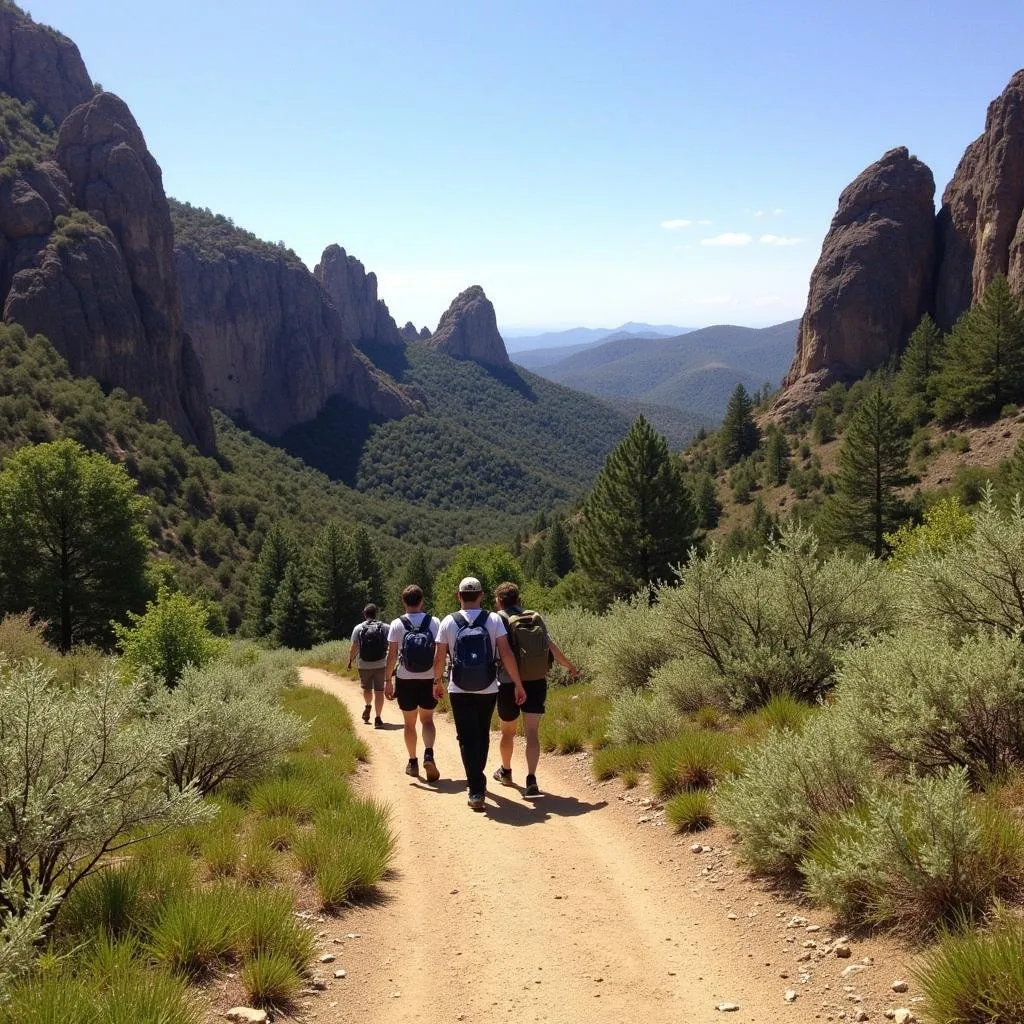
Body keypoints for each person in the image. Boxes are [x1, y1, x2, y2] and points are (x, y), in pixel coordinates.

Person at [433, 576, 525, 810]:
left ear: (459, 596)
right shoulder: (493, 619)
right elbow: (506, 654)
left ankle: (476, 789)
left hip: (459, 687)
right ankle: (478, 780)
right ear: (482, 595)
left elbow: (439, 657)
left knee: (465, 738)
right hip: (488, 686)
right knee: (482, 733)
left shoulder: (447, 622)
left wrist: (436, 682)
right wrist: (517, 683)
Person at [492, 581, 578, 796]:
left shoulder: (498, 619)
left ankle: (507, 771)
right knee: (532, 732)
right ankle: (531, 778)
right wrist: (569, 666)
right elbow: (551, 646)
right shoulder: (534, 617)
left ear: (499, 601)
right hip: (536, 680)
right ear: (519, 599)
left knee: (507, 732)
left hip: (508, 682)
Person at [384, 585, 442, 782]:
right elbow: (440, 653)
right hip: (428, 678)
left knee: (409, 724)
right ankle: (429, 753)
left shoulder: (396, 624)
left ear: (404, 602)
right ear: (422, 601)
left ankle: (413, 762)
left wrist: (388, 681)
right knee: (427, 720)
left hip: (405, 678)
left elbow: (391, 656)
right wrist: (438, 679)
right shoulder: (434, 622)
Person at [346, 603, 389, 728]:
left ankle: (368, 705)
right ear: (376, 613)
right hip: (381, 663)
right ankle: (378, 718)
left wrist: (350, 661)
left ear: (365, 614)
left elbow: (353, 648)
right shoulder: (385, 627)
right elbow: (393, 644)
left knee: (366, 688)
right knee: (379, 691)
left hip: (364, 664)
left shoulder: (358, 628)